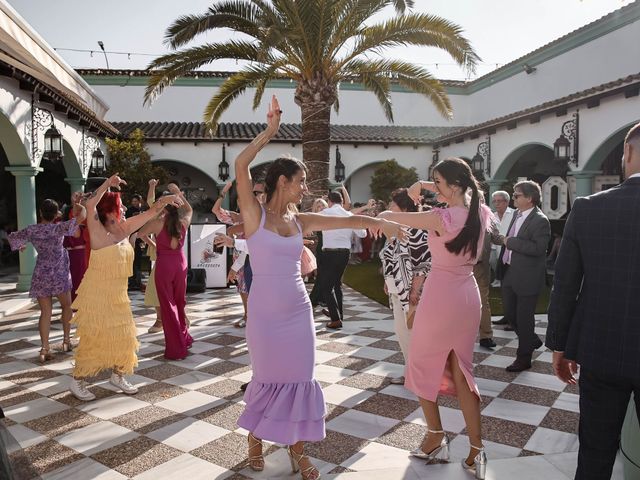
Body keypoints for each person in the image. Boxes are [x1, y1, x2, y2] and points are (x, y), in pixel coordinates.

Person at [235, 96, 406, 480]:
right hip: (264, 311)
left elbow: (345, 222)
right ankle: (255, 439)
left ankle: (298, 450)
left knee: (299, 378)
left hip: (297, 310)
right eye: (301, 181)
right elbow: (241, 164)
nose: (305, 187)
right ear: (283, 181)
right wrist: (270, 132)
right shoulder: (253, 215)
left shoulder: (302, 220)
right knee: (266, 376)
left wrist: (384, 222)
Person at [379, 158, 493, 479]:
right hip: (468, 295)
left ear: (454, 186)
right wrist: (425, 185)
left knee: (419, 362)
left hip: (441, 295)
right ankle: (476, 450)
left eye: (439, 183)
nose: (435, 189)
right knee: (462, 372)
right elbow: (461, 190)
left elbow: (392, 217)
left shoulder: (440, 217)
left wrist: (385, 216)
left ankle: (435, 436)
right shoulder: (479, 212)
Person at [547, 122, 640, 480]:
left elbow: (565, 284)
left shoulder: (588, 209)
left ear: (627, 153)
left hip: (601, 348)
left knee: (595, 453)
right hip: (604, 350)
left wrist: (559, 343)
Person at [68, 174, 181, 401]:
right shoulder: (97, 228)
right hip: (97, 294)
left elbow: (150, 213)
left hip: (119, 296)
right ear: (109, 207)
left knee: (125, 337)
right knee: (94, 337)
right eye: (119, 204)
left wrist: (166, 201)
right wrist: (107, 185)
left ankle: (118, 375)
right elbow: (90, 204)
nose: (123, 208)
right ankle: (77, 380)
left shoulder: (124, 228)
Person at [8, 198, 86, 362]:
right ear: (56, 213)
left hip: (41, 273)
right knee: (67, 307)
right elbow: (82, 215)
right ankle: (66, 341)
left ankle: (44, 348)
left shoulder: (32, 230)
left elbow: (13, 237)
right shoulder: (59, 228)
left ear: (41, 213)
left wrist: (21, 246)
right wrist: (77, 204)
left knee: (45, 312)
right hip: (59, 273)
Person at [495, 181, 550, 372]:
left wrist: (511, 242)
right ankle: (532, 340)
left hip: (528, 277)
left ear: (529, 198)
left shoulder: (540, 220)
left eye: (517, 195)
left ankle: (523, 358)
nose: (514, 197)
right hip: (510, 272)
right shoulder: (516, 215)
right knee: (510, 314)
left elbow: (538, 248)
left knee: (524, 318)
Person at [379, 188, 431, 385]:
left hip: (410, 290)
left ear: (404, 207)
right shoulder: (395, 227)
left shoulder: (418, 228)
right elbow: (391, 257)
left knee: (410, 332)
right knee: (402, 332)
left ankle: (416, 374)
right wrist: (388, 280)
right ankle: (412, 371)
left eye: (393, 204)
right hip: (397, 286)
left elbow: (425, 261)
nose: (390, 208)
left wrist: (416, 289)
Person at [139, 183, 193, 360]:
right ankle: (184, 339)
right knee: (179, 302)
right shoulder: (183, 222)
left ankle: (176, 348)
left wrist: (155, 244)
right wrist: (179, 194)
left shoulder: (157, 223)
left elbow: (140, 233)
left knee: (168, 307)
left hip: (164, 264)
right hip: (180, 263)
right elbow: (189, 209)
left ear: (164, 207)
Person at [317, 191, 367, 329]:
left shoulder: (325, 213)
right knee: (337, 284)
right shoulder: (349, 215)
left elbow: (312, 225)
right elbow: (362, 233)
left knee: (326, 287)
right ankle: (339, 313)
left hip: (329, 254)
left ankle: (335, 319)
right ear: (341, 201)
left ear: (330, 201)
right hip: (345, 254)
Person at [141, 179, 163, 334]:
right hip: (160, 256)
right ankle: (160, 319)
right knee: (155, 287)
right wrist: (152, 186)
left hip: (174, 256)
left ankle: (176, 318)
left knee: (171, 288)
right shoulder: (156, 215)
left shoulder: (176, 217)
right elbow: (150, 201)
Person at [63, 191, 89, 303]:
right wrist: (76, 202)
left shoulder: (83, 221)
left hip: (80, 254)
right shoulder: (72, 223)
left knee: (80, 279)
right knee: (77, 279)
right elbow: (76, 215)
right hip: (77, 255)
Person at [489, 190, 514, 290]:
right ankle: (498, 278)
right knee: (492, 261)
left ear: (507, 202)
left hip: (508, 246)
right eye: (494, 201)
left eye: (499, 201)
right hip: (494, 246)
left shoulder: (514, 214)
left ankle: (504, 280)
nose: (496, 203)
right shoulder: (491, 216)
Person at [126, 193, 145, 291]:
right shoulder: (129, 211)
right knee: (132, 260)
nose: (134, 203)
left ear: (140, 201)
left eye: (136, 201)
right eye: (133, 201)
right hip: (131, 238)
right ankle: (132, 281)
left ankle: (138, 281)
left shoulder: (144, 211)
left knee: (138, 260)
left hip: (142, 238)